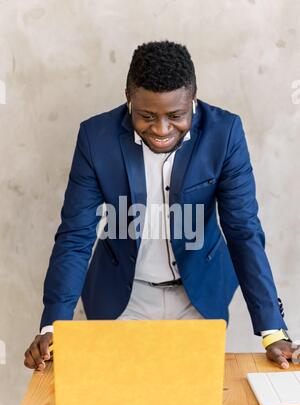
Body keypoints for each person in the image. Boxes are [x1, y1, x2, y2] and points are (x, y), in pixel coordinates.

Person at [24, 40, 294, 372]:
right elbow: (75, 237)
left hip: (199, 297)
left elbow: (243, 232)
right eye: (147, 116)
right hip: (123, 298)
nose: (162, 129)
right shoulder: (96, 138)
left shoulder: (224, 134)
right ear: (128, 97)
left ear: (193, 98)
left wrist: (272, 330)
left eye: (176, 116)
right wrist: (53, 326)